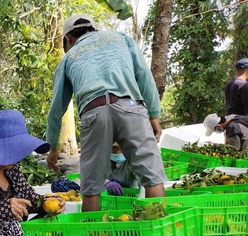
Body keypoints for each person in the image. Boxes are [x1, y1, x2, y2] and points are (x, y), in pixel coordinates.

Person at [45, 14, 167, 212]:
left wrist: (52, 148)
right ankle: (160, 232)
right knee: (152, 177)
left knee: (92, 188)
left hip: (94, 112)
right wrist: (154, 115)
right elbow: (144, 76)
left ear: (68, 38)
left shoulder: (69, 58)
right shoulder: (121, 39)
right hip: (131, 107)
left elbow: (56, 108)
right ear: (93, 29)